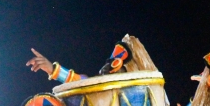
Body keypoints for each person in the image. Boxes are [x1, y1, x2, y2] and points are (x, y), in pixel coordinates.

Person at [26, 34, 158, 83]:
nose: (106, 69)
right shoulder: (98, 87)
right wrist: (52, 69)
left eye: (114, 66)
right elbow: (78, 80)